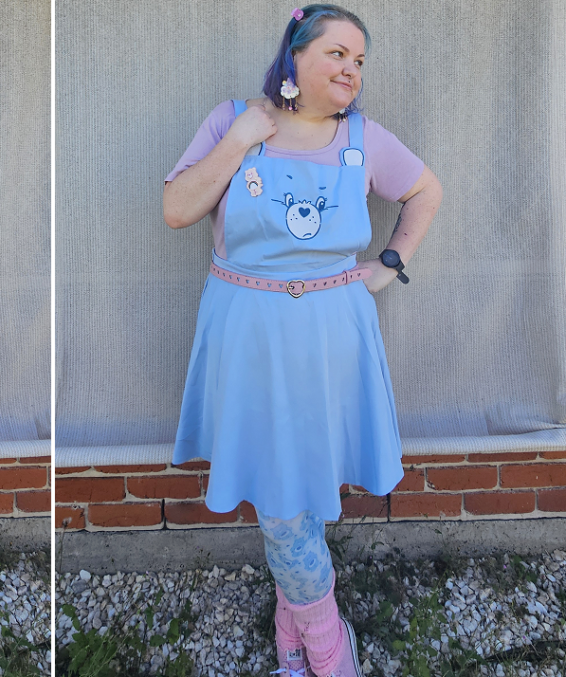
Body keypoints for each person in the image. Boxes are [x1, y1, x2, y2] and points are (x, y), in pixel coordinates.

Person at [163, 6, 442, 677]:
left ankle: (298, 627)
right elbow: (176, 208)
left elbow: (426, 190)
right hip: (249, 337)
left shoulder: (362, 139)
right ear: (295, 56)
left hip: (331, 338)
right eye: (337, 53)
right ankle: (327, 644)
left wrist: (389, 263)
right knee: (283, 504)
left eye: (360, 60)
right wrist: (237, 142)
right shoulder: (233, 119)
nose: (351, 69)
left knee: (303, 491)